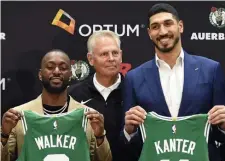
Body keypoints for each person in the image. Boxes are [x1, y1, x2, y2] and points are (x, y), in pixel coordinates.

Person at [122, 3, 225, 161]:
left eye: (168, 24)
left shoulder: (211, 70)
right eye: (155, 26)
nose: (162, 31)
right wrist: (129, 131)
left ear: (180, 26)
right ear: (149, 33)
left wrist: (224, 126)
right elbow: (131, 144)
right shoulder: (133, 78)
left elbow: (219, 134)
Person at [1, 49, 112, 161]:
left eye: (63, 68)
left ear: (70, 75)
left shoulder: (88, 117)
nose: (57, 71)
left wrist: (100, 137)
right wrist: (4, 135)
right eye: (50, 67)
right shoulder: (19, 116)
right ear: (40, 74)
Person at [69, 30, 124, 161]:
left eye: (115, 53)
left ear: (121, 56)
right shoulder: (73, 94)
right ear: (90, 59)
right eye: (104, 54)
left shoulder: (134, 90)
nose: (111, 58)